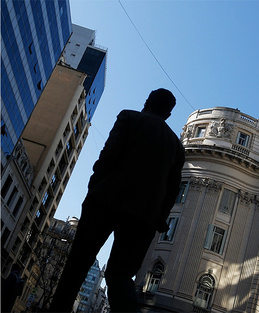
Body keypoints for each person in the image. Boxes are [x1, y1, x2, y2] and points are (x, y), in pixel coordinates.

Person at [49, 89, 185, 312]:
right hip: (143, 219)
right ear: (168, 115)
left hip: (105, 201)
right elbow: (172, 190)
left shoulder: (129, 117)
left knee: (77, 266)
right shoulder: (177, 147)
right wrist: (159, 219)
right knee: (120, 277)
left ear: (146, 101)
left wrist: (94, 186)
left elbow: (108, 155)